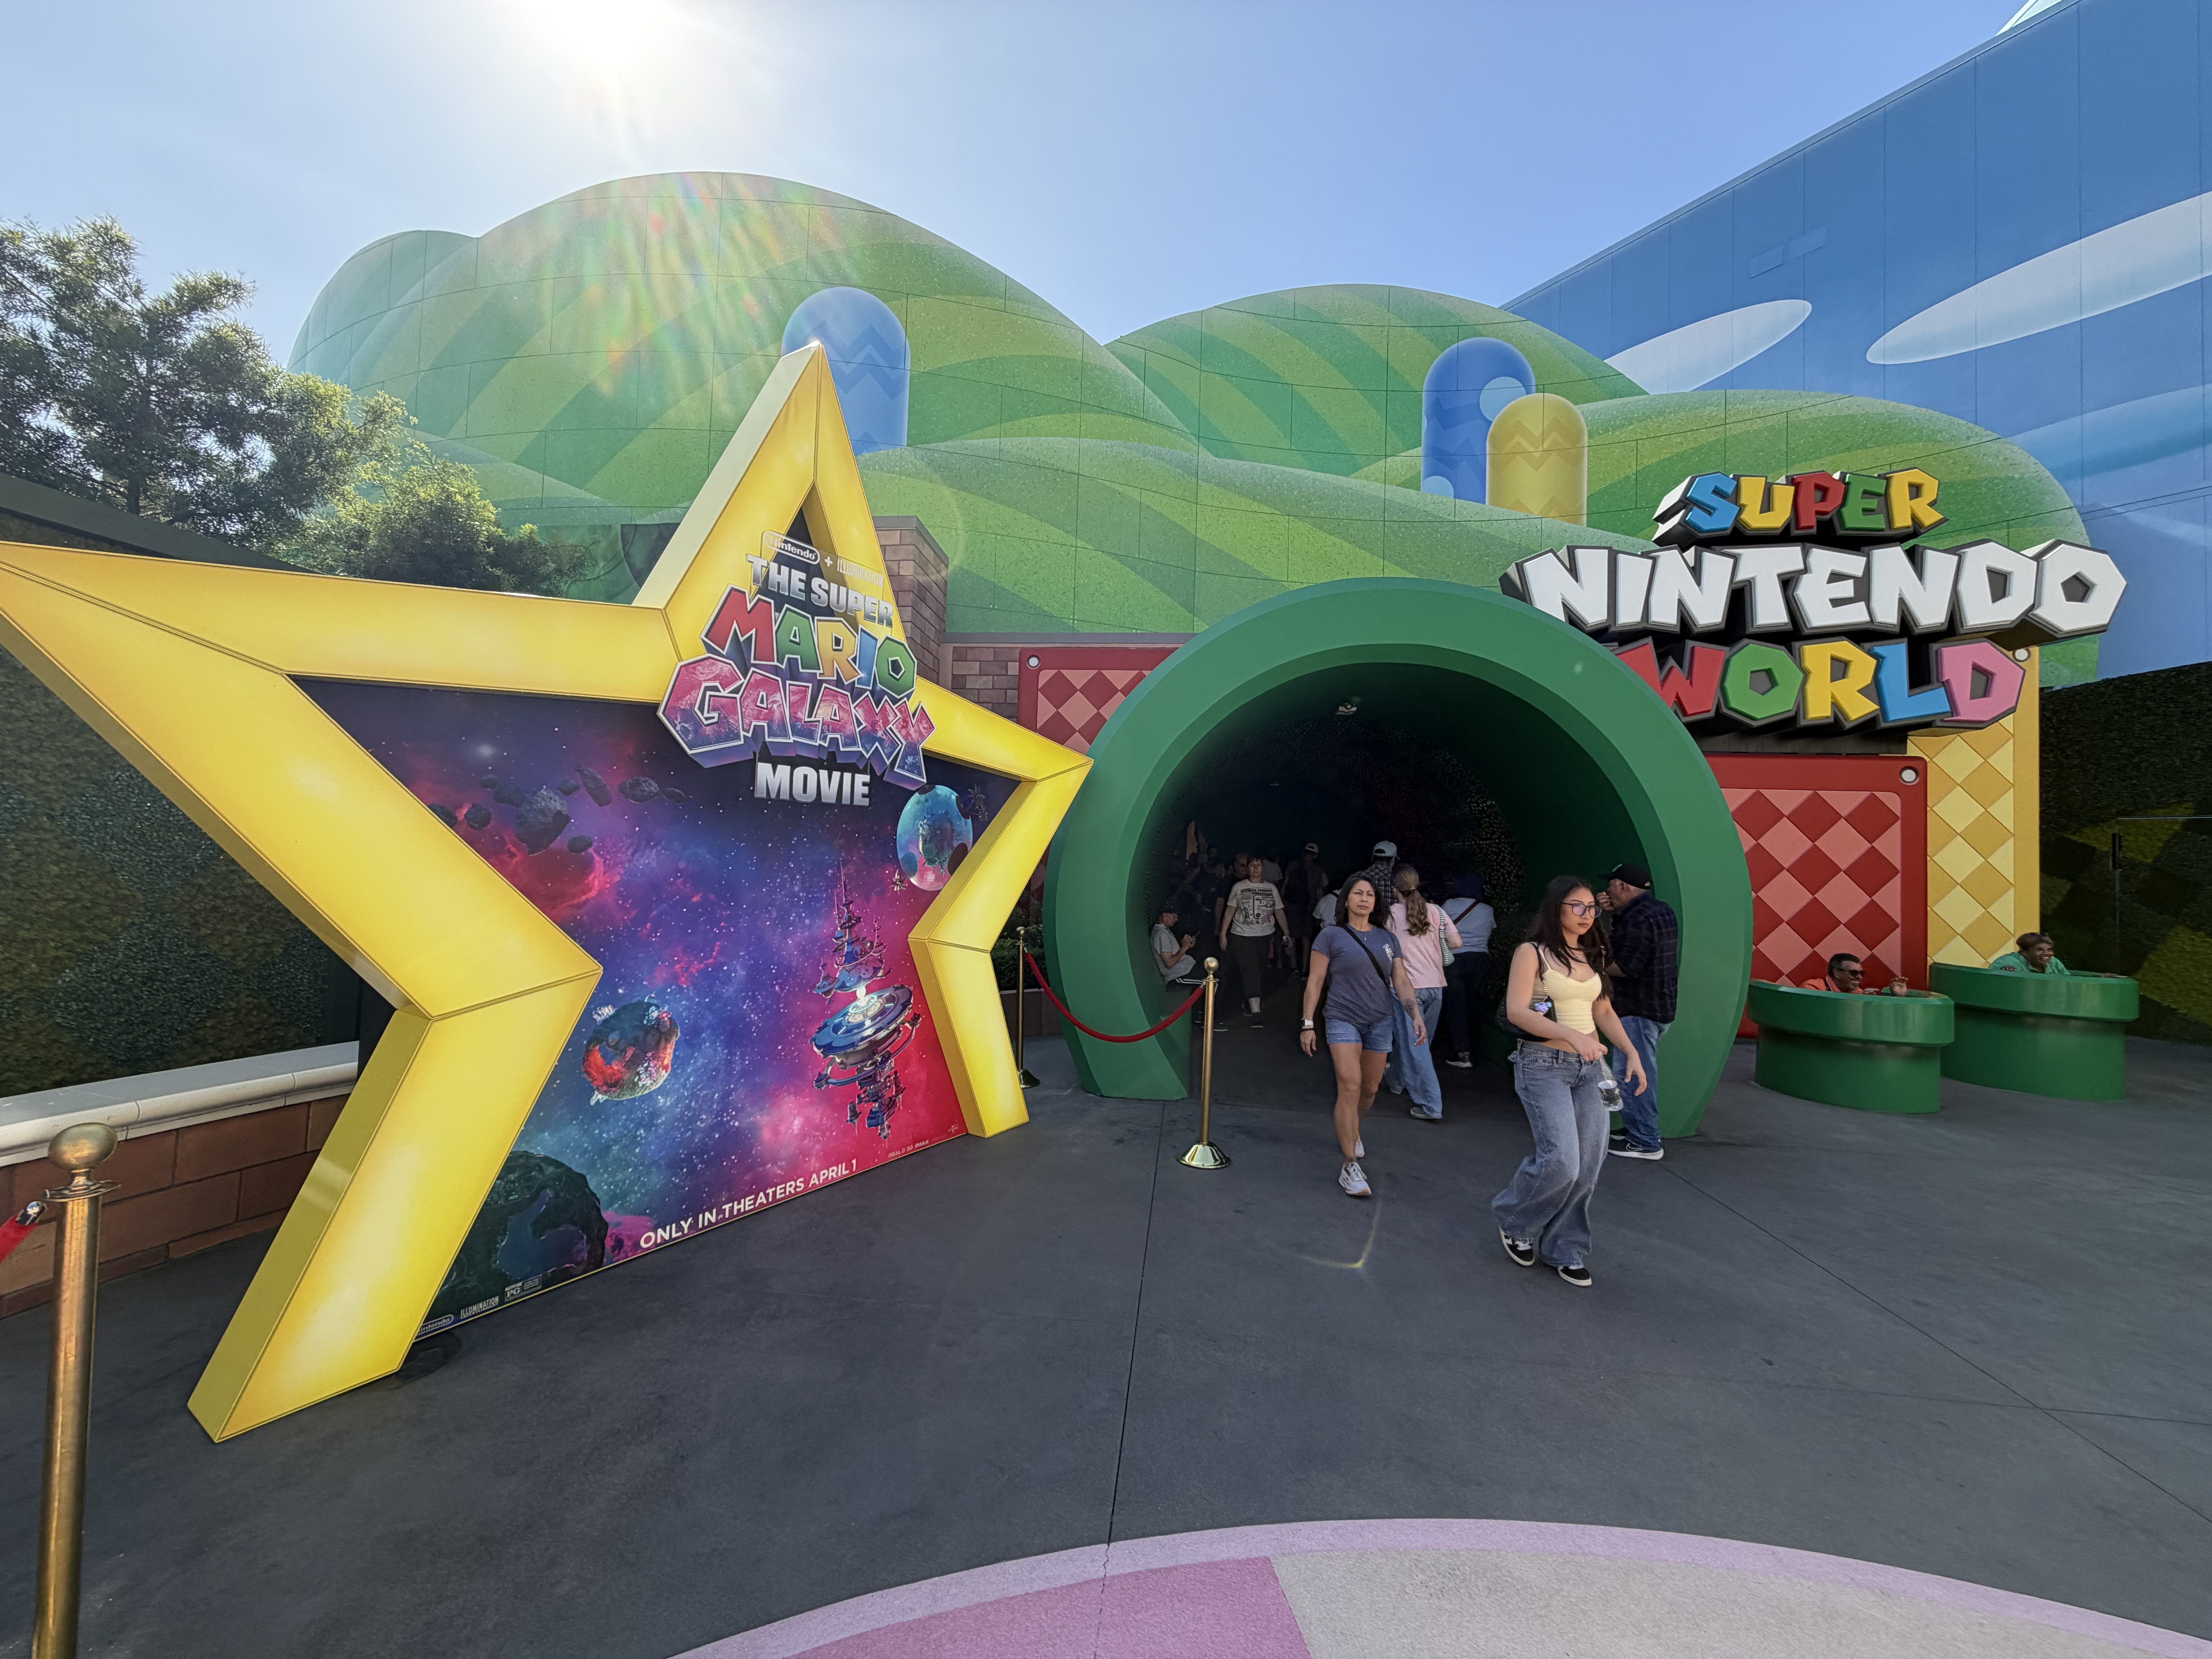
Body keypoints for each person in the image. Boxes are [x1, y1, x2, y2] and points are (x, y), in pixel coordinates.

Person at [1493, 875, 1646, 1289]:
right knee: (1562, 1160)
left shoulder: (1593, 953)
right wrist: (1572, 1036)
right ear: (1556, 908)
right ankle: (1516, 1220)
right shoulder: (1532, 953)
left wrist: (1631, 1052)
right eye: (1577, 906)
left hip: (1590, 1070)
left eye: (1591, 907)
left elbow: (1603, 1011)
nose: (1586, 914)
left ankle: (1565, 1247)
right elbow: (1518, 1011)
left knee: (1589, 1166)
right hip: (1543, 1064)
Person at [1300, 874, 1425, 1199]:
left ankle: (1352, 1128)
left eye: (1370, 894)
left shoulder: (1387, 938)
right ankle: (1350, 1165)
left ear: (1376, 902)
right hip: (1342, 1018)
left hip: (1380, 1021)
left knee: (1369, 1090)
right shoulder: (1331, 936)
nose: (1365, 899)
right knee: (1350, 1085)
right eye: (1358, 893)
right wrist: (1308, 1023)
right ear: (1346, 900)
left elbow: (1401, 979)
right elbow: (1316, 981)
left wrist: (1415, 1014)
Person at [1599, 862, 1678, 1163]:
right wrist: (1615, 914)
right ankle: (1635, 1130)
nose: (1607, 892)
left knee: (1632, 1074)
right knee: (1638, 1071)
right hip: (1660, 1007)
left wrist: (1589, 965)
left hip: (1637, 1010)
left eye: (1611, 886)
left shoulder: (1635, 919)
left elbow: (1626, 967)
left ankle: (1645, 1141)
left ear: (1623, 886)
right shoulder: (1660, 911)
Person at [1383, 865, 1460, 1120]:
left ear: (1395, 890)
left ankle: (1431, 1104)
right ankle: (1396, 1081)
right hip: (1436, 986)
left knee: (1416, 1046)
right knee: (1417, 1043)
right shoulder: (1437, 911)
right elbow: (1456, 942)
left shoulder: (1391, 914)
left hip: (1405, 988)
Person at [1220, 854, 1290, 1027]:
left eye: (1259, 865)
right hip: (1242, 936)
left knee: (1260, 970)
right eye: (1252, 865)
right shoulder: (1239, 887)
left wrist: (1287, 933)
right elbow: (1230, 910)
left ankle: (1248, 1000)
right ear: (1247, 869)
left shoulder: (1271, 888)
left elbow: (1279, 911)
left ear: (1263, 869)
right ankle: (1256, 1014)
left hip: (1264, 936)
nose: (1256, 868)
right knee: (1251, 970)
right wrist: (1223, 933)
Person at [1437, 872, 1494, 1069]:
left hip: (1455, 960)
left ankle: (1462, 1054)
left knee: (1456, 1006)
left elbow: (1439, 930)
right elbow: (1490, 930)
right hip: (1480, 961)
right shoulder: (1487, 910)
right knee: (1473, 1005)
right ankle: (1475, 1051)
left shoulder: (1449, 905)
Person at [1802, 953, 1908, 995]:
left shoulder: (1858, 993)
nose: (1860, 977)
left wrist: (1898, 997)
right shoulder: (1813, 988)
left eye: (1861, 973)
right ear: (1837, 973)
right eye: (1854, 973)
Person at [1152, 902, 1202, 986]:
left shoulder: (1165, 931)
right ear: (1165, 915)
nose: (1177, 919)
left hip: (1187, 969)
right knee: (1214, 981)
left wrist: (1188, 945)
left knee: (1216, 972)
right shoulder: (1161, 935)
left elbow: (1176, 954)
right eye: (1174, 916)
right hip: (1179, 976)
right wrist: (1184, 948)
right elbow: (1170, 963)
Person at [1990, 932, 2071, 975]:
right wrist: (2004, 974)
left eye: (2050, 950)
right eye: (2040, 950)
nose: (2047, 954)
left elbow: (2068, 983)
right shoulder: (2008, 962)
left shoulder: (2054, 962)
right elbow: (1991, 983)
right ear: (2025, 951)